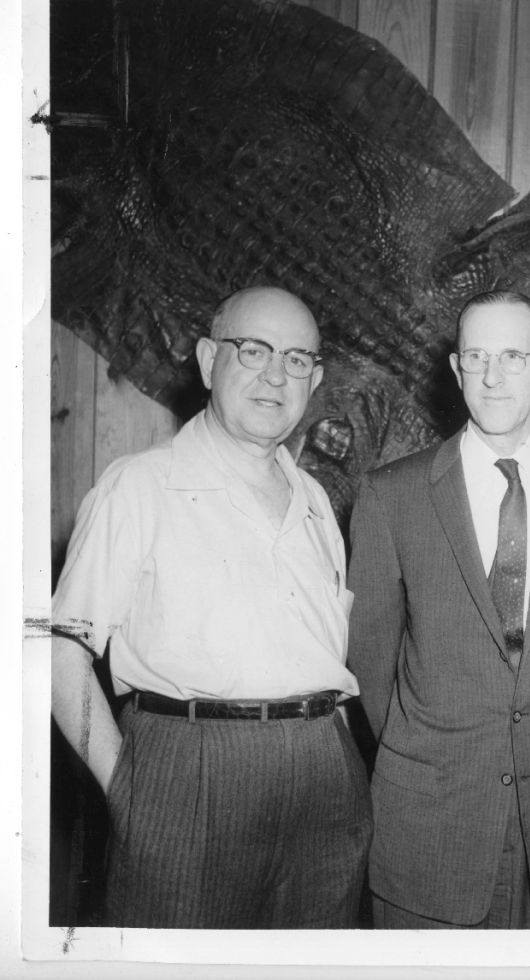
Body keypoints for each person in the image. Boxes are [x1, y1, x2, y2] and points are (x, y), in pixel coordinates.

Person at [50, 286, 371, 929]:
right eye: (253, 349)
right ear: (206, 360)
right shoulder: (138, 486)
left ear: (316, 380)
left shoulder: (316, 503)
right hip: (187, 773)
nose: (276, 374)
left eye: (298, 359)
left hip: (323, 775)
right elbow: (59, 659)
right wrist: (131, 790)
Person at [347, 289, 530, 930]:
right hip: (428, 824)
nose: (493, 375)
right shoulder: (392, 495)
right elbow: (369, 659)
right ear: (455, 370)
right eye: (476, 357)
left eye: (513, 356)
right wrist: (428, 746)